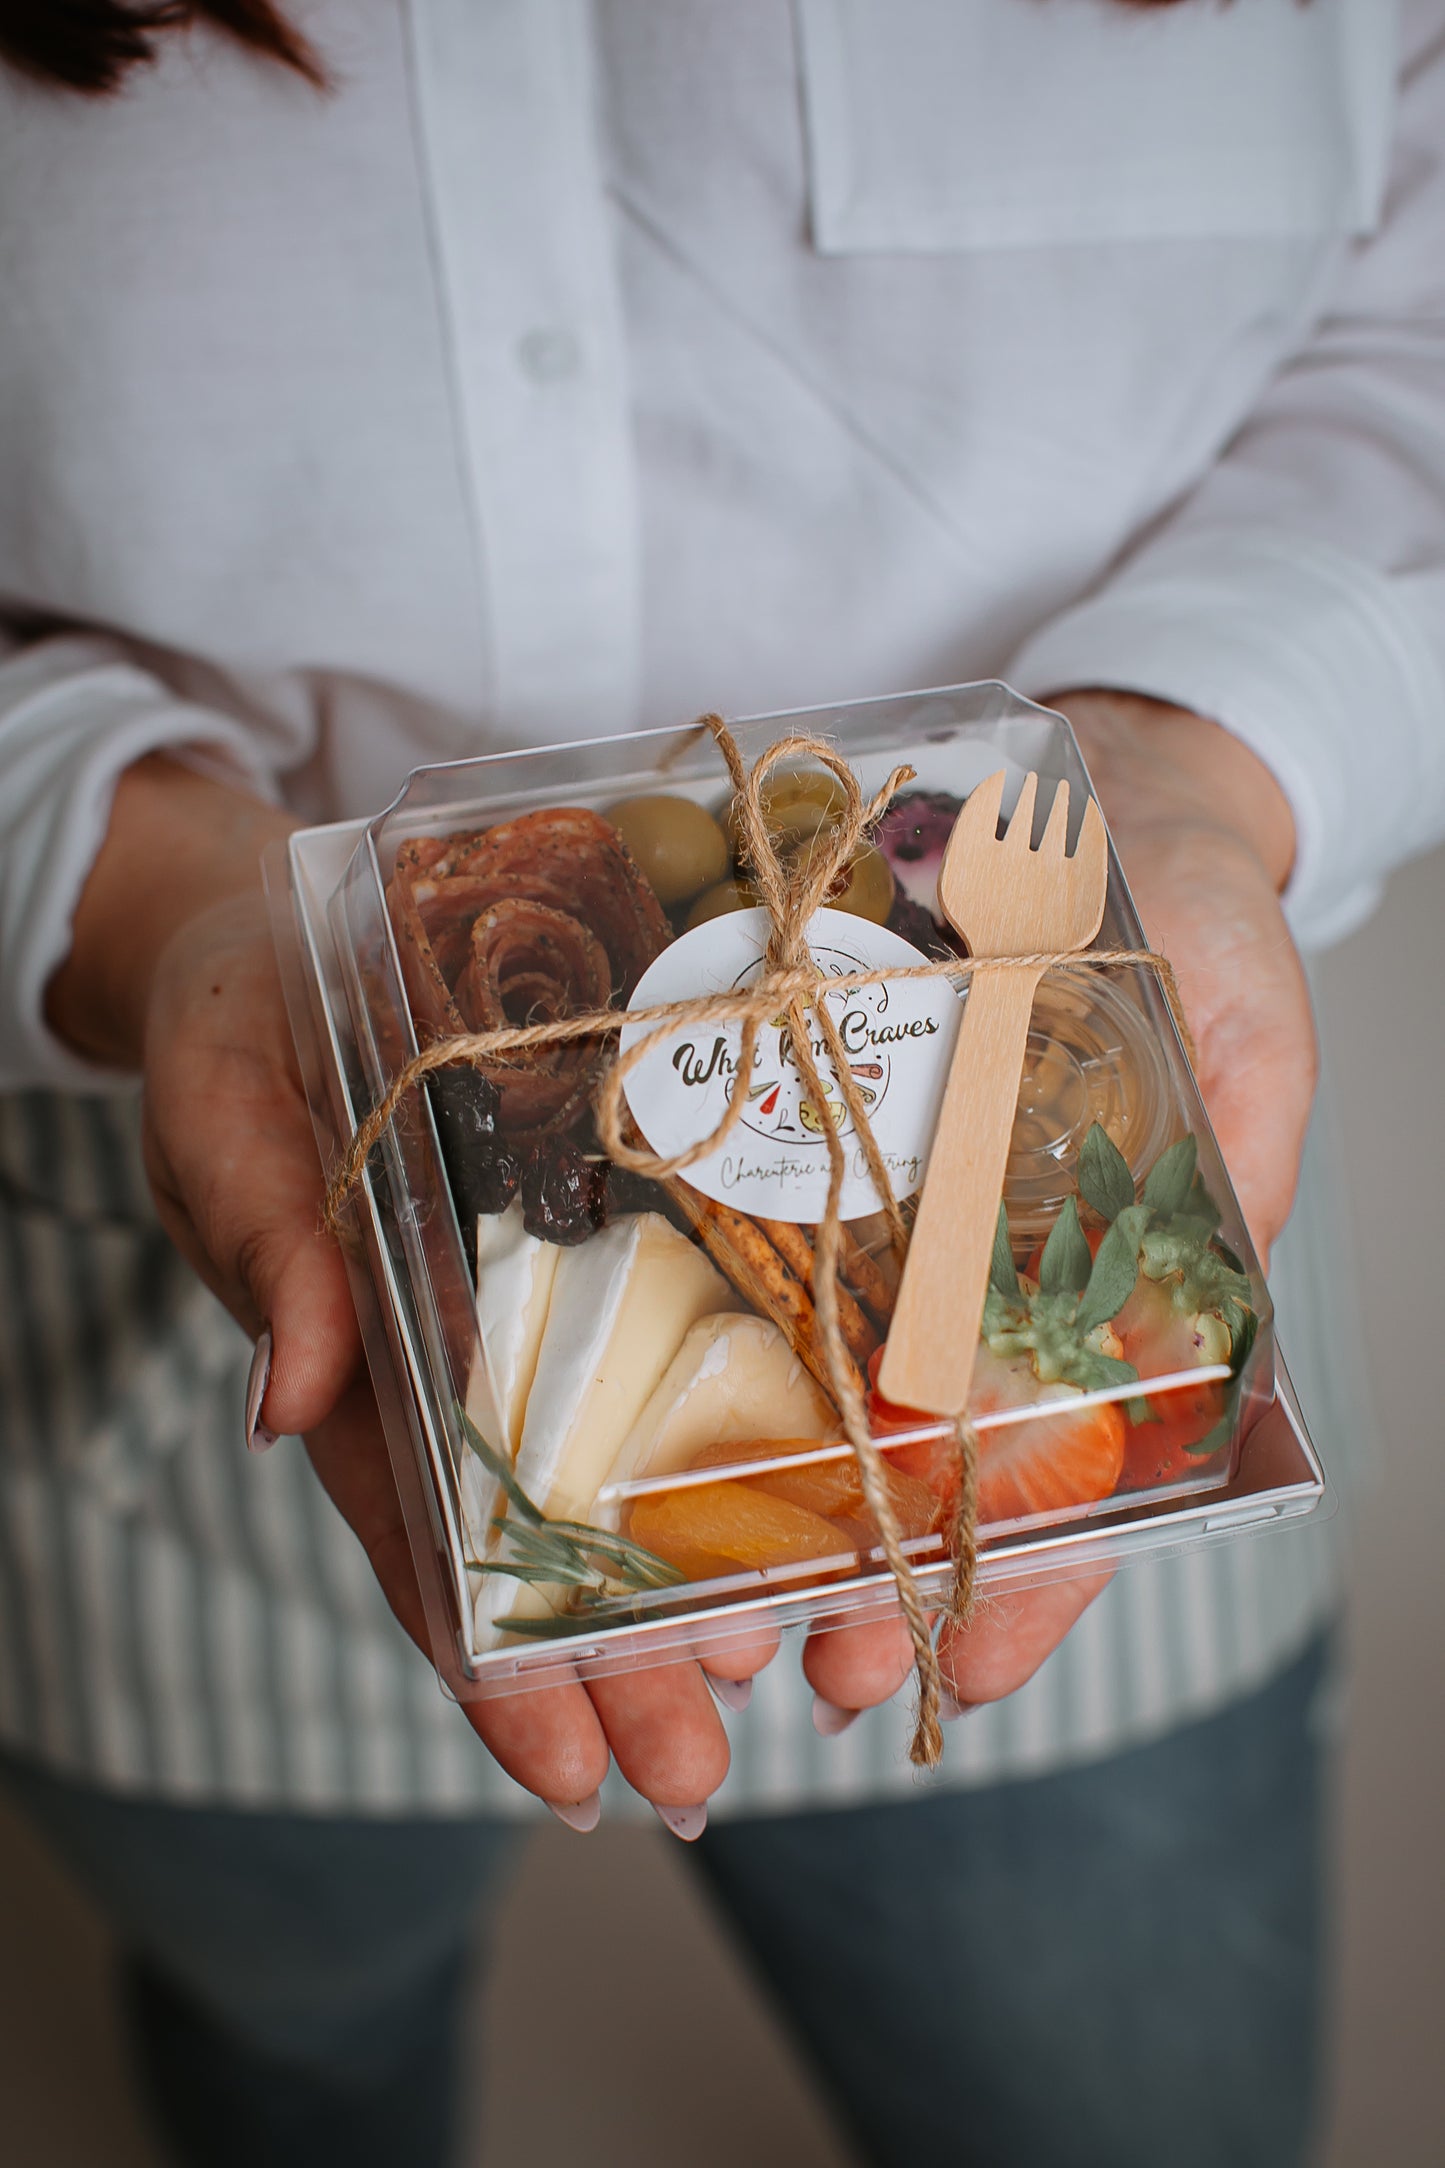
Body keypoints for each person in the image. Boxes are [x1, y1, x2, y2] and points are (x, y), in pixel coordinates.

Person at [0, 2, 1442, 2163]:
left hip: (1071, 1328)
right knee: (290, 2034)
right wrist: (149, 888)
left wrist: (1205, 754)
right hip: (209, 1307)